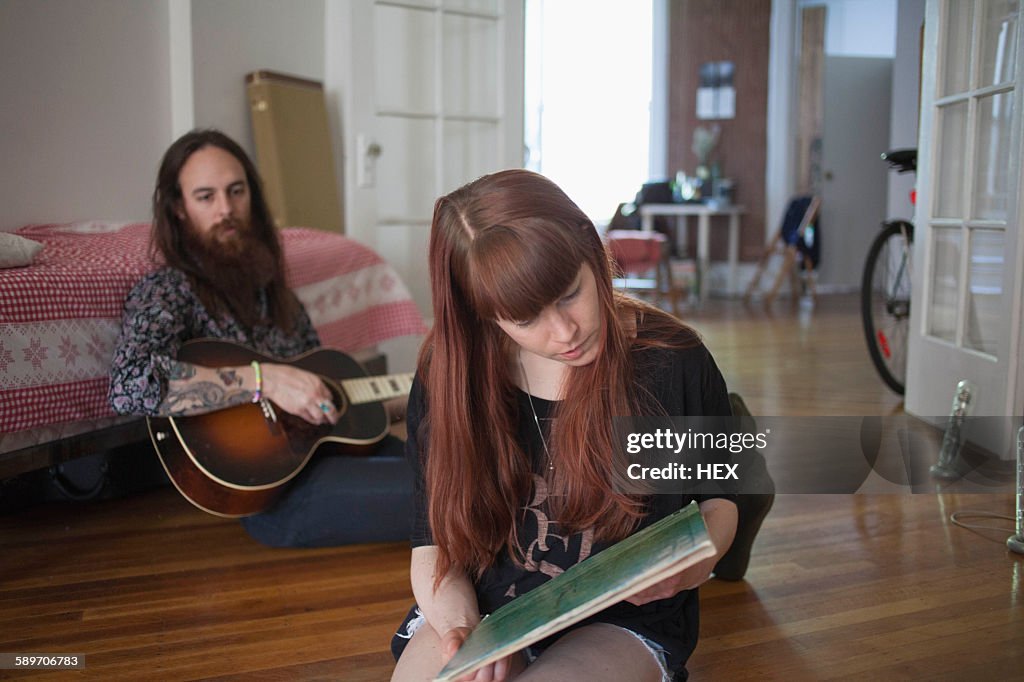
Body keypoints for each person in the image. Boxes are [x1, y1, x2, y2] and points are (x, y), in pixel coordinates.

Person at [390, 169, 740, 682]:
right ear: (485, 316)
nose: (565, 331)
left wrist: (695, 558)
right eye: (526, 319)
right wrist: (463, 631)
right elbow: (434, 544)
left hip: (624, 618)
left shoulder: (673, 362)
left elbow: (721, 501)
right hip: (492, 609)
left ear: (592, 250)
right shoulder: (448, 378)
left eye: (570, 293)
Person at [108, 129, 412, 547]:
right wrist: (263, 380)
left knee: (467, 476)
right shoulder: (167, 290)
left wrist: (416, 394)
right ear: (178, 208)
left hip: (332, 456)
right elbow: (130, 385)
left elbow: (327, 394)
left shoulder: (276, 294)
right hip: (276, 497)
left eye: (236, 191)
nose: (226, 209)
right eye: (205, 197)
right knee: (451, 497)